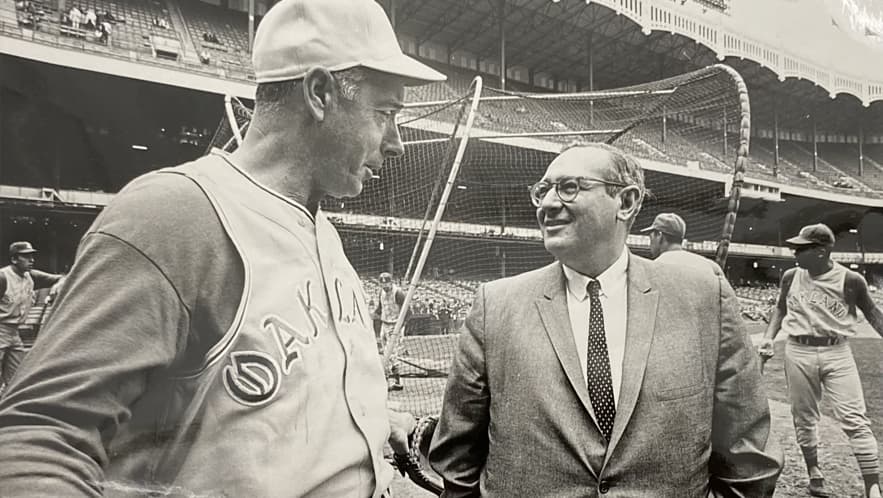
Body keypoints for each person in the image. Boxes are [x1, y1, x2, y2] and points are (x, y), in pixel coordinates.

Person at [0, 0, 445, 496]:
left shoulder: (321, 228)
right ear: (320, 93)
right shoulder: (175, 213)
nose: (397, 142)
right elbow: (37, 442)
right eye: (385, 113)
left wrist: (374, 420)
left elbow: (259, 407)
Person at [429, 143, 782, 497]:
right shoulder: (496, 303)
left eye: (569, 187)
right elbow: (457, 457)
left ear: (626, 202)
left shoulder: (703, 296)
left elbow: (745, 450)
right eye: (543, 191)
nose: (548, 204)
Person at [758, 223, 883, 498]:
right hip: (798, 350)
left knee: (854, 418)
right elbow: (780, 308)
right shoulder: (791, 276)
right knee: (803, 417)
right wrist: (769, 335)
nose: (794, 252)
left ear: (822, 251)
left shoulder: (851, 280)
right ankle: (814, 472)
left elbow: (873, 314)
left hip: (837, 351)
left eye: (801, 248)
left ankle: (872, 486)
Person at [0, 241, 64, 389]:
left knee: (16, 377)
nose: (31, 260)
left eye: (32, 256)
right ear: (14, 259)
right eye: (26, 256)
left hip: (14, 333)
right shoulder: (2, 277)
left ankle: (9, 407)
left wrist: (58, 284)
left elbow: (62, 278)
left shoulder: (31, 276)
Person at [641, 212, 724, 277]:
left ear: (659, 235)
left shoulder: (653, 269)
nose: (650, 244)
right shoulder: (712, 267)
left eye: (651, 237)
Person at [374, 271, 407, 391]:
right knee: (385, 353)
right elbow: (380, 308)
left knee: (391, 354)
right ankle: (391, 380)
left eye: (386, 284)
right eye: (382, 284)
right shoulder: (381, 293)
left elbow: (408, 312)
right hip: (384, 324)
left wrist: (401, 326)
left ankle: (396, 381)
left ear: (391, 282)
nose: (384, 286)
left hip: (395, 325)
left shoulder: (398, 293)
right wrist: (372, 314)